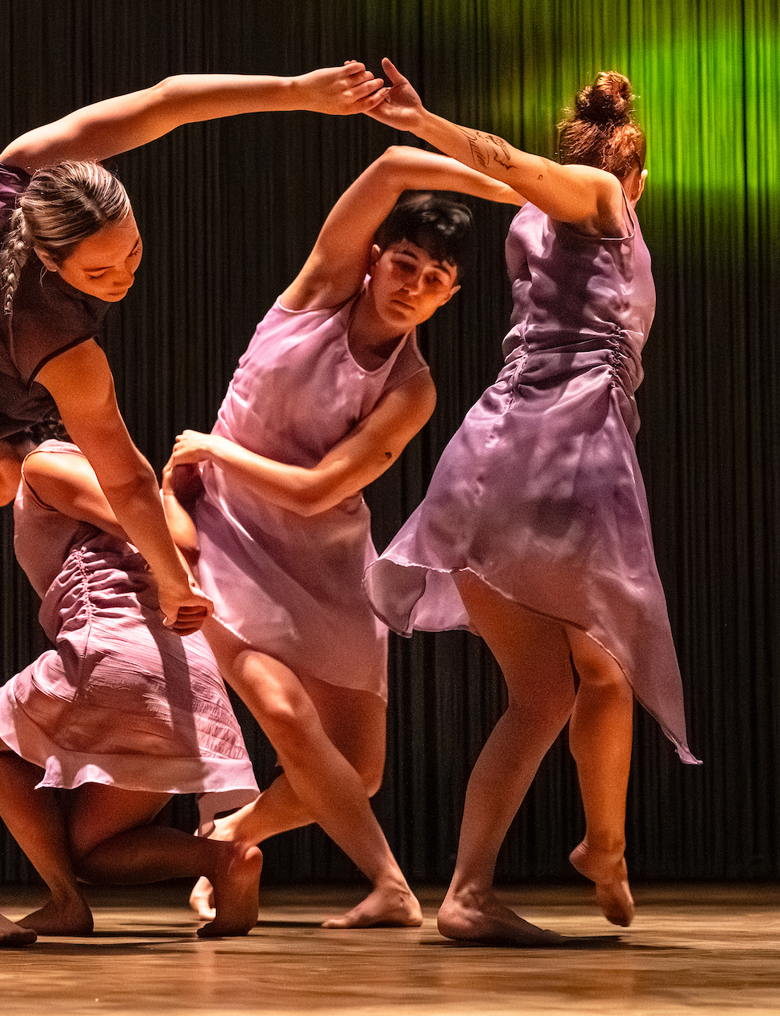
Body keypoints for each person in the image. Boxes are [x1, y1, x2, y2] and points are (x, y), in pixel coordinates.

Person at [0, 63, 391, 944]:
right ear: (48, 258)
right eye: (102, 269)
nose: (124, 277)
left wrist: (297, 93)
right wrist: (170, 574)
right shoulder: (58, 338)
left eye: (134, 255)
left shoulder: (23, 168)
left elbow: (161, 104)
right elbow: (124, 476)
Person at [363, 61, 698, 946]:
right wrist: (425, 116)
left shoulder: (536, 212)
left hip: (491, 465)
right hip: (561, 462)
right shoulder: (598, 197)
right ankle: (606, 846)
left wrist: (422, 131)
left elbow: (501, 169)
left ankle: (474, 890)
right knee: (606, 667)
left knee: (549, 692)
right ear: (640, 180)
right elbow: (502, 156)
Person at [163, 147, 522, 929]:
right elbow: (394, 162)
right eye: (403, 263)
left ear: (448, 298)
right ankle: (391, 886)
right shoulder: (319, 293)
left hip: (328, 558)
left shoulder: (413, 387)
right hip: (228, 536)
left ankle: (229, 836)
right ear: (371, 260)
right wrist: (509, 184)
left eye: (434, 281)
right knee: (286, 715)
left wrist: (213, 446)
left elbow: (324, 486)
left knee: (356, 770)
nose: (413, 286)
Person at [0, 429, 261, 937]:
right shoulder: (106, 467)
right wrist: (170, 500)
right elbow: (183, 541)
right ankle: (224, 860)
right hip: (181, 665)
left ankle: (64, 901)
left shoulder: (43, 466)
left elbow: (142, 526)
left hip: (114, 649)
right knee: (94, 852)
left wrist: (174, 584)